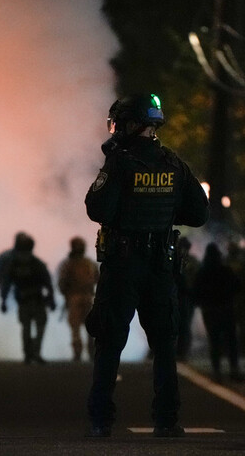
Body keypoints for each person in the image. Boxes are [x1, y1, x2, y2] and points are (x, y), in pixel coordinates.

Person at [84, 93, 209, 438]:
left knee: (109, 342)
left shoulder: (120, 162)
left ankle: (100, 420)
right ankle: (166, 420)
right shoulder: (174, 163)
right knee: (165, 346)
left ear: (130, 124)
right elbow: (198, 213)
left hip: (123, 266)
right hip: (161, 267)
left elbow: (98, 209)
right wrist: (166, 215)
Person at [0, 232, 56, 365]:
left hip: (26, 301)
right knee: (39, 326)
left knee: (26, 327)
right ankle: (34, 352)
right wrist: (51, 299)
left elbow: (6, 284)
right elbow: (48, 283)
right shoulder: (37, 263)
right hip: (36, 300)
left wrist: (3, 301)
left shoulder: (14, 265)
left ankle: (28, 354)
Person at [192, 242, 243, 383]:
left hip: (209, 311)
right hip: (226, 309)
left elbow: (195, 292)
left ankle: (217, 372)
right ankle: (234, 370)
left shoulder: (203, 272)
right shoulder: (225, 270)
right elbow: (237, 286)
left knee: (215, 342)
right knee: (231, 341)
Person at [57, 237, 99, 362]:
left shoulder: (68, 264)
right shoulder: (89, 264)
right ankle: (90, 353)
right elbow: (99, 278)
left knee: (77, 328)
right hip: (87, 297)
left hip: (75, 297)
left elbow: (62, 282)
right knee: (89, 327)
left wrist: (66, 294)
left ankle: (78, 354)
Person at [175, 237, 201, 360]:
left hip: (183, 297)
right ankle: (180, 351)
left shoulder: (178, 260)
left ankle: (181, 351)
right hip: (182, 297)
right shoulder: (191, 261)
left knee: (182, 325)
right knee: (182, 325)